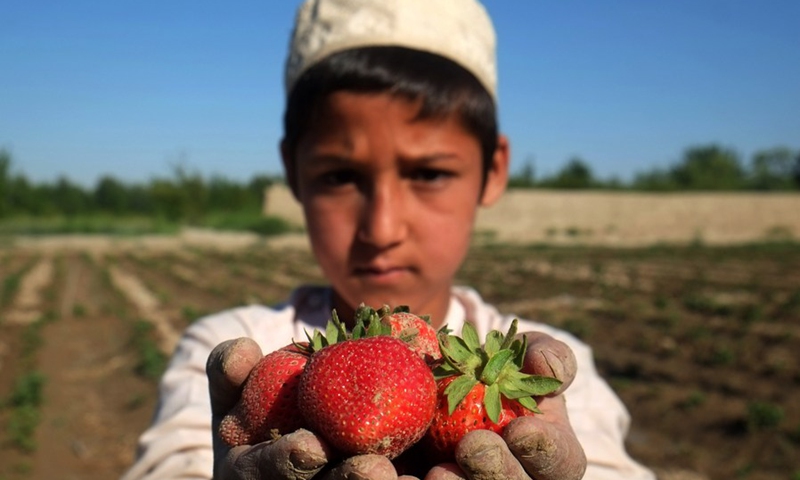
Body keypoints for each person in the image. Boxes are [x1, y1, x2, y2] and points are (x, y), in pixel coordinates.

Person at [122, 0, 656, 479]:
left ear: (493, 171)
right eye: (340, 176)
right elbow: (178, 458)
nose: (382, 229)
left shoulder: (545, 379)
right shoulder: (242, 351)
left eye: (428, 174)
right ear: (293, 172)